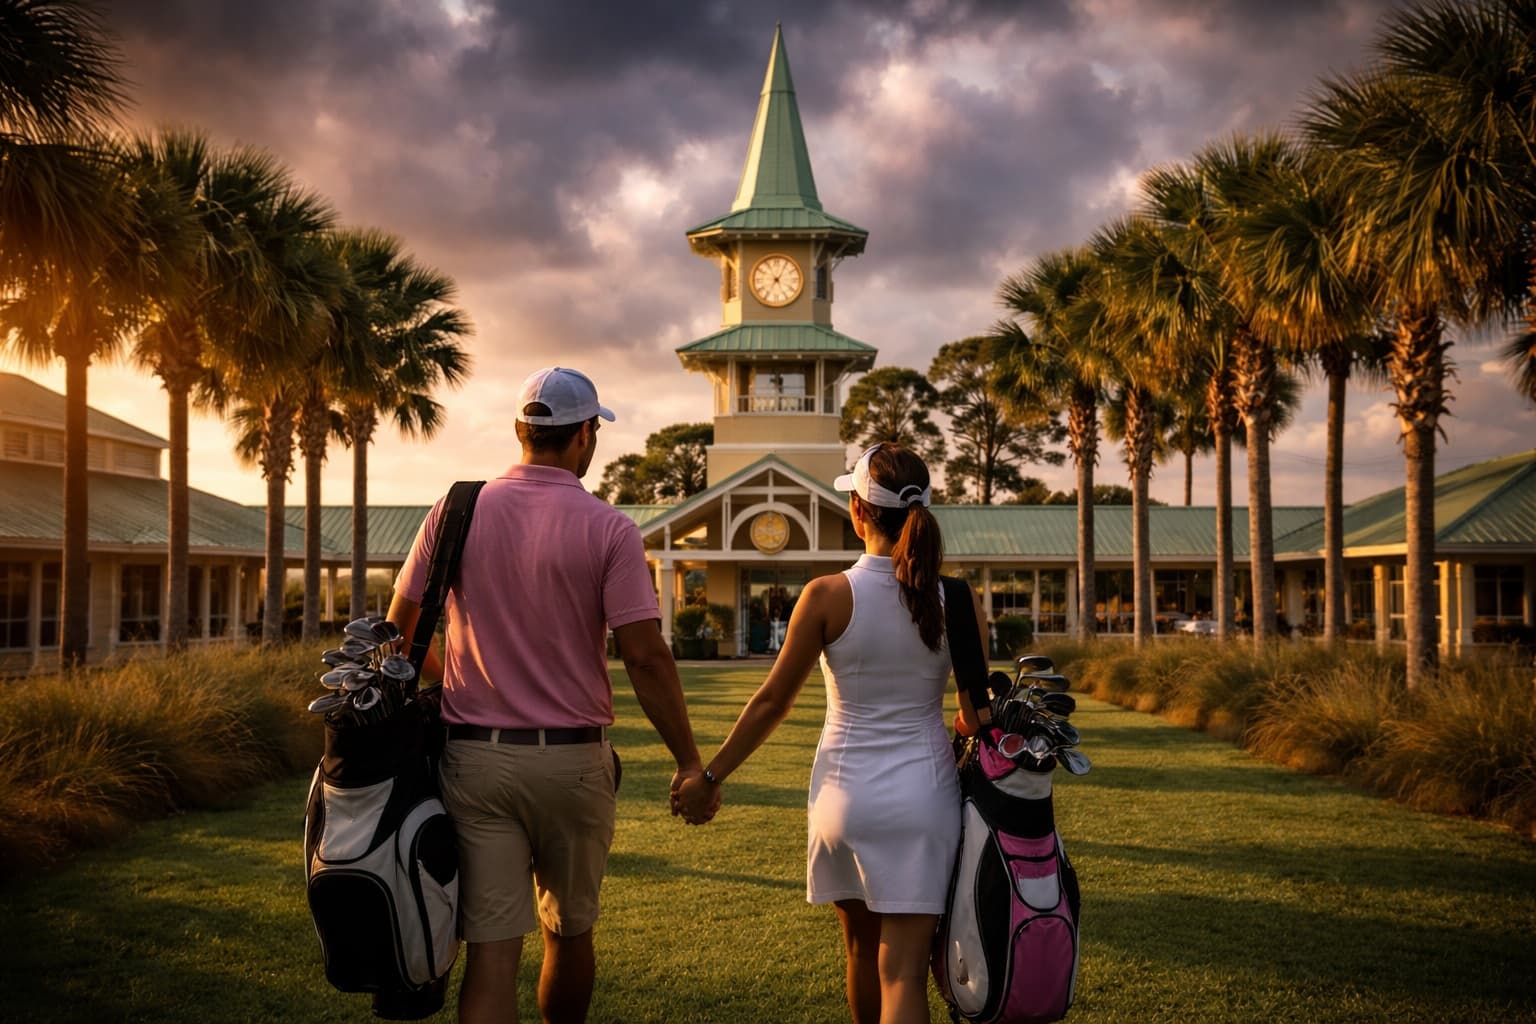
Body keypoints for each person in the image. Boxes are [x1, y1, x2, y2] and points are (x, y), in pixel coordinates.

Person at [388, 366, 704, 1024]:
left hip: (475, 761)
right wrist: (688, 761)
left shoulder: (456, 508)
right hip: (571, 762)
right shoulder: (610, 529)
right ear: (585, 435)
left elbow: (398, 633)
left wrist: (448, 680)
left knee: (492, 953)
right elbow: (644, 656)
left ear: (520, 431)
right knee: (568, 934)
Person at [676, 442, 985, 1024]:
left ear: (858, 510)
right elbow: (976, 716)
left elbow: (772, 702)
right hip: (926, 799)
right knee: (904, 976)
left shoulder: (825, 594)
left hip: (845, 799)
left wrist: (709, 775)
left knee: (863, 955)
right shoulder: (958, 601)